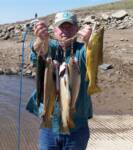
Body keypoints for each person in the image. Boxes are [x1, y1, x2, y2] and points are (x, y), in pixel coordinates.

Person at [26, 11, 93, 150]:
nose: (65, 31)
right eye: (61, 27)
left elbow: (91, 58)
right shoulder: (49, 46)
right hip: (49, 126)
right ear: (54, 30)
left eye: (69, 26)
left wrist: (89, 42)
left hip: (77, 128)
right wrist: (40, 39)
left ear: (77, 28)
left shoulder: (82, 50)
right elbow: (38, 53)